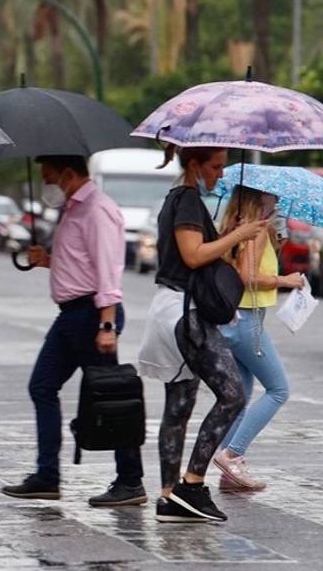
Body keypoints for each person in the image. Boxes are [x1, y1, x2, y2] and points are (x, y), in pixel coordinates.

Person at [1, 154, 146, 508]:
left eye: (49, 177)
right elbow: (80, 262)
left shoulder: (98, 209)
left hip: (93, 315)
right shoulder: (73, 208)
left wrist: (107, 324)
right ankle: (47, 477)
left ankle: (130, 481)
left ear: (68, 173)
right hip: (70, 315)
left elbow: (108, 270)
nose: (47, 185)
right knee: (42, 386)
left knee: (113, 399)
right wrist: (47, 259)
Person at [138, 146, 267, 523]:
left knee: (178, 406)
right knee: (233, 394)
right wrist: (237, 234)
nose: (220, 174)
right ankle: (191, 486)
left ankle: (168, 498)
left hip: (167, 310)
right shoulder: (189, 198)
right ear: (194, 164)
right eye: (215, 166)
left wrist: (230, 234)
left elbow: (195, 253)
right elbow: (193, 256)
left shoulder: (177, 198)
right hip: (184, 314)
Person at [214, 186, 303, 490]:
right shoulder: (255, 231)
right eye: (272, 195)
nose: (277, 200)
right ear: (258, 198)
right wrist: (285, 280)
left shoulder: (235, 228)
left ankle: (229, 471)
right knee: (279, 390)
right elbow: (247, 276)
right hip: (247, 321)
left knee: (240, 395)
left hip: (232, 319)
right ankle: (233, 454)